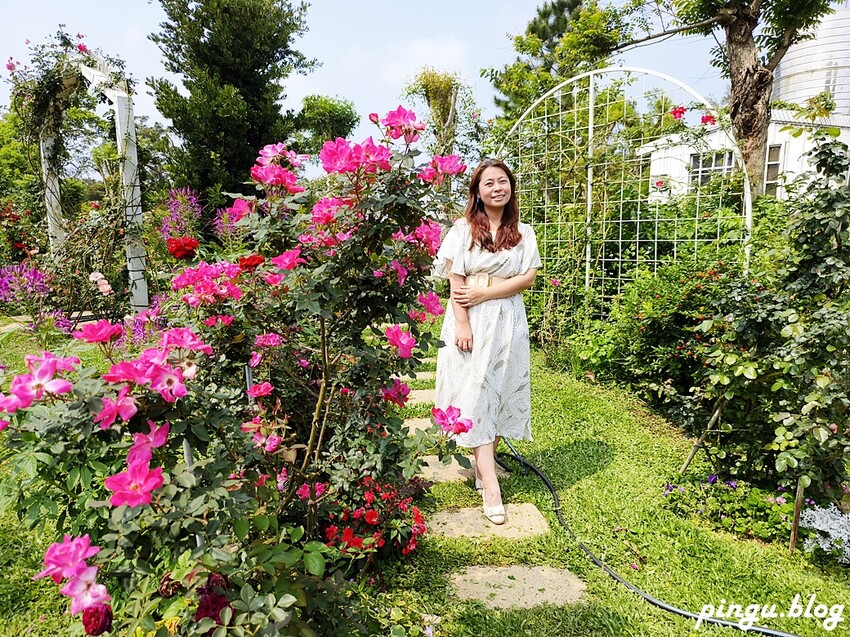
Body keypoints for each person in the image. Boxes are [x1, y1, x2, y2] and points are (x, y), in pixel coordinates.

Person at [433, 158, 540, 525]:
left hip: (508, 318)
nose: (498, 187)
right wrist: (463, 324)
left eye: (503, 181)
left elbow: (527, 278)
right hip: (472, 321)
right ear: (477, 192)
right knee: (476, 390)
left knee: (501, 387)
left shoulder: (523, 231)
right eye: (489, 183)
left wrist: (488, 296)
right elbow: (456, 281)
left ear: (511, 187)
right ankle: (491, 483)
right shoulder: (463, 229)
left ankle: (484, 467)